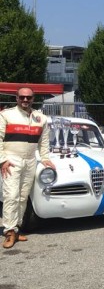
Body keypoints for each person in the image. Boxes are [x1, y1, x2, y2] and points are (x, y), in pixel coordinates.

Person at [0, 87, 55, 249]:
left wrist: (45, 159)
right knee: (11, 195)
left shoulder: (41, 118)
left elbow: (44, 142)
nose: (25, 100)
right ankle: (9, 231)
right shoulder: (6, 115)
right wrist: (3, 161)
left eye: (28, 98)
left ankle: (16, 229)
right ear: (16, 98)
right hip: (11, 160)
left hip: (30, 161)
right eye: (22, 97)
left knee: (23, 197)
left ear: (33, 98)